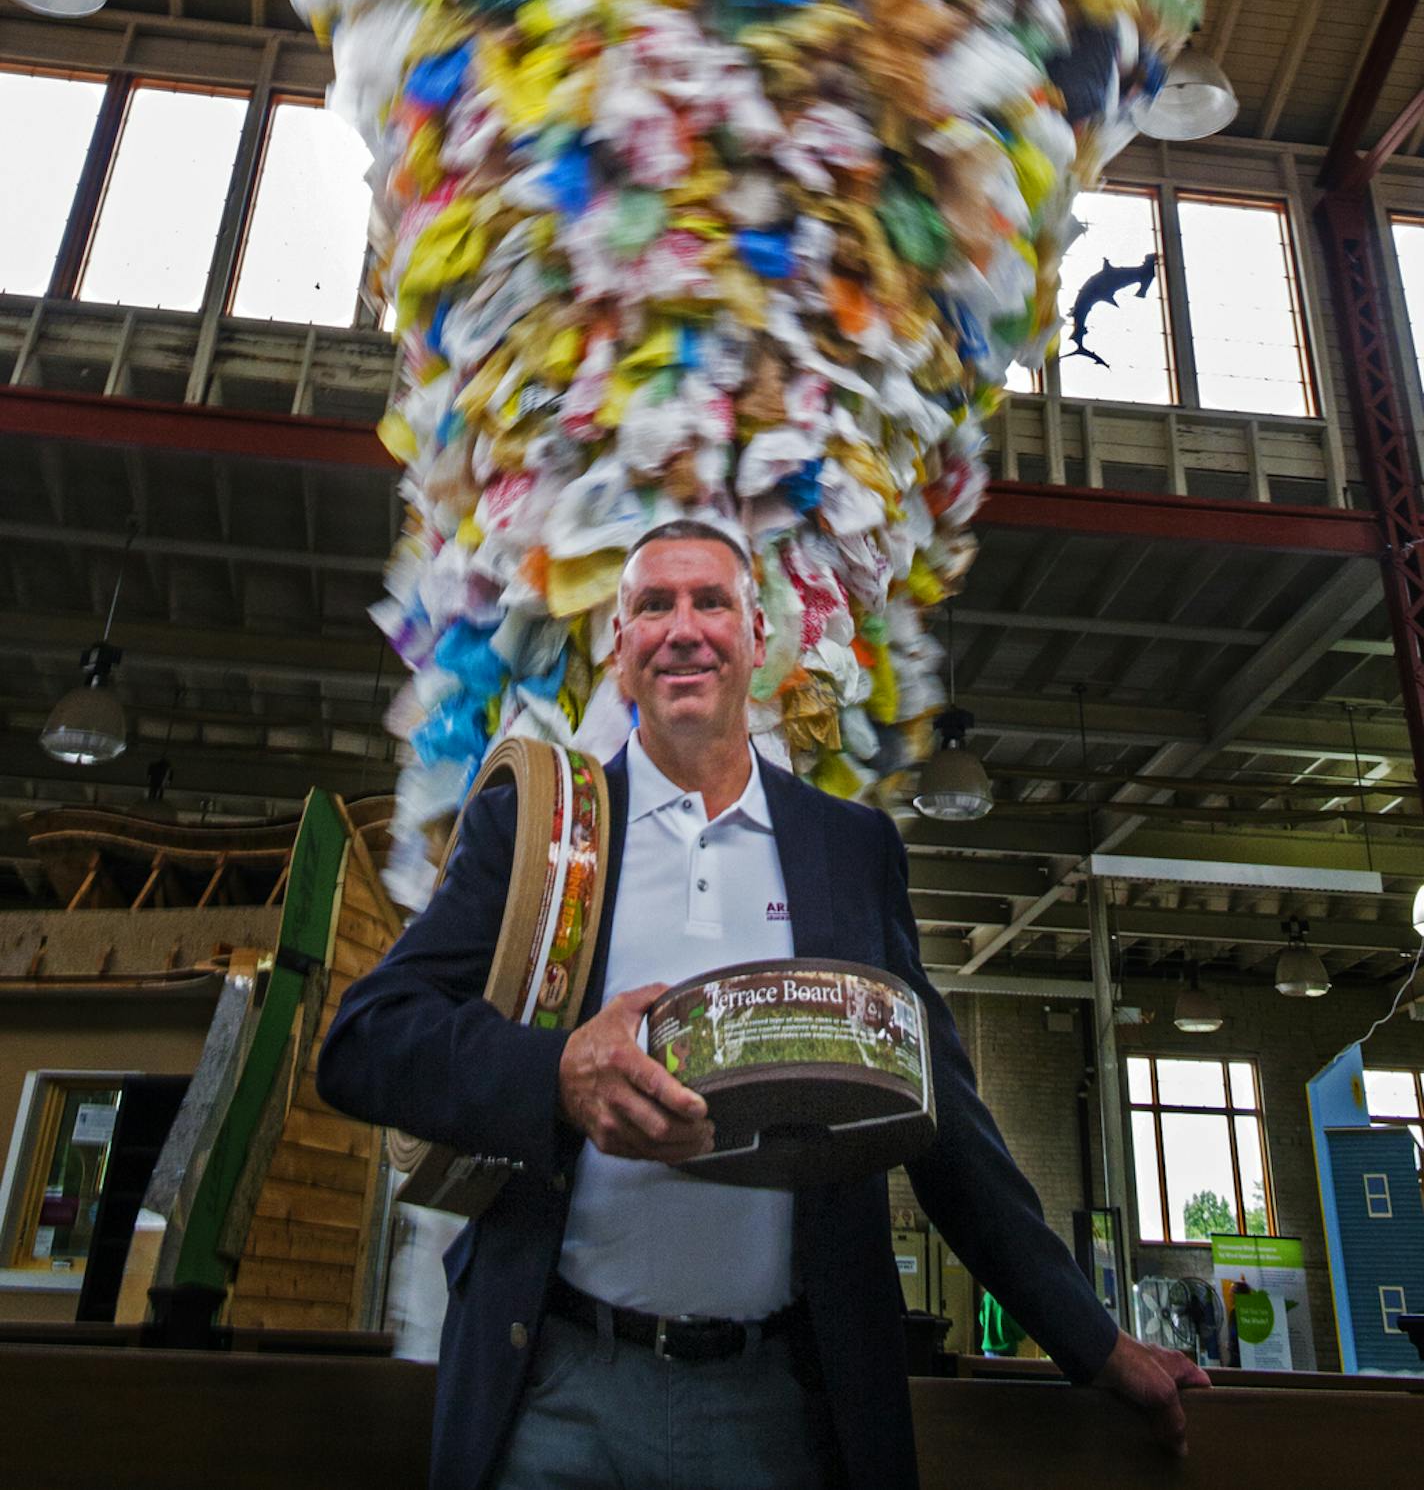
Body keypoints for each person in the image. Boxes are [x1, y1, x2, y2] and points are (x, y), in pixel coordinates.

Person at [318, 518, 1208, 1489]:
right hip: (557, 1385)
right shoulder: (546, 831)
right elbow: (365, 1041)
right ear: (617, 648)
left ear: (758, 638)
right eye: (652, 604)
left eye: (710, 601)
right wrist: (556, 1074)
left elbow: (943, 1116)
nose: (682, 626)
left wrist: (1092, 1340)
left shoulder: (847, 850)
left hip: (776, 1402)